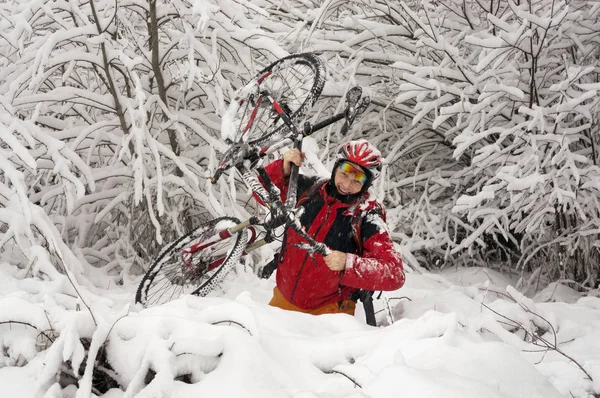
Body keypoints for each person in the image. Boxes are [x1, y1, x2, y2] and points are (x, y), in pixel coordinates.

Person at [258, 139, 405, 317]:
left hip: (330, 311)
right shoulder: (310, 189)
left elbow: (394, 273)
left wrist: (348, 264)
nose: (347, 184)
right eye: (345, 173)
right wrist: (283, 168)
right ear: (336, 167)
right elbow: (262, 193)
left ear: (367, 184)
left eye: (357, 180)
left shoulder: (367, 215)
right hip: (283, 298)